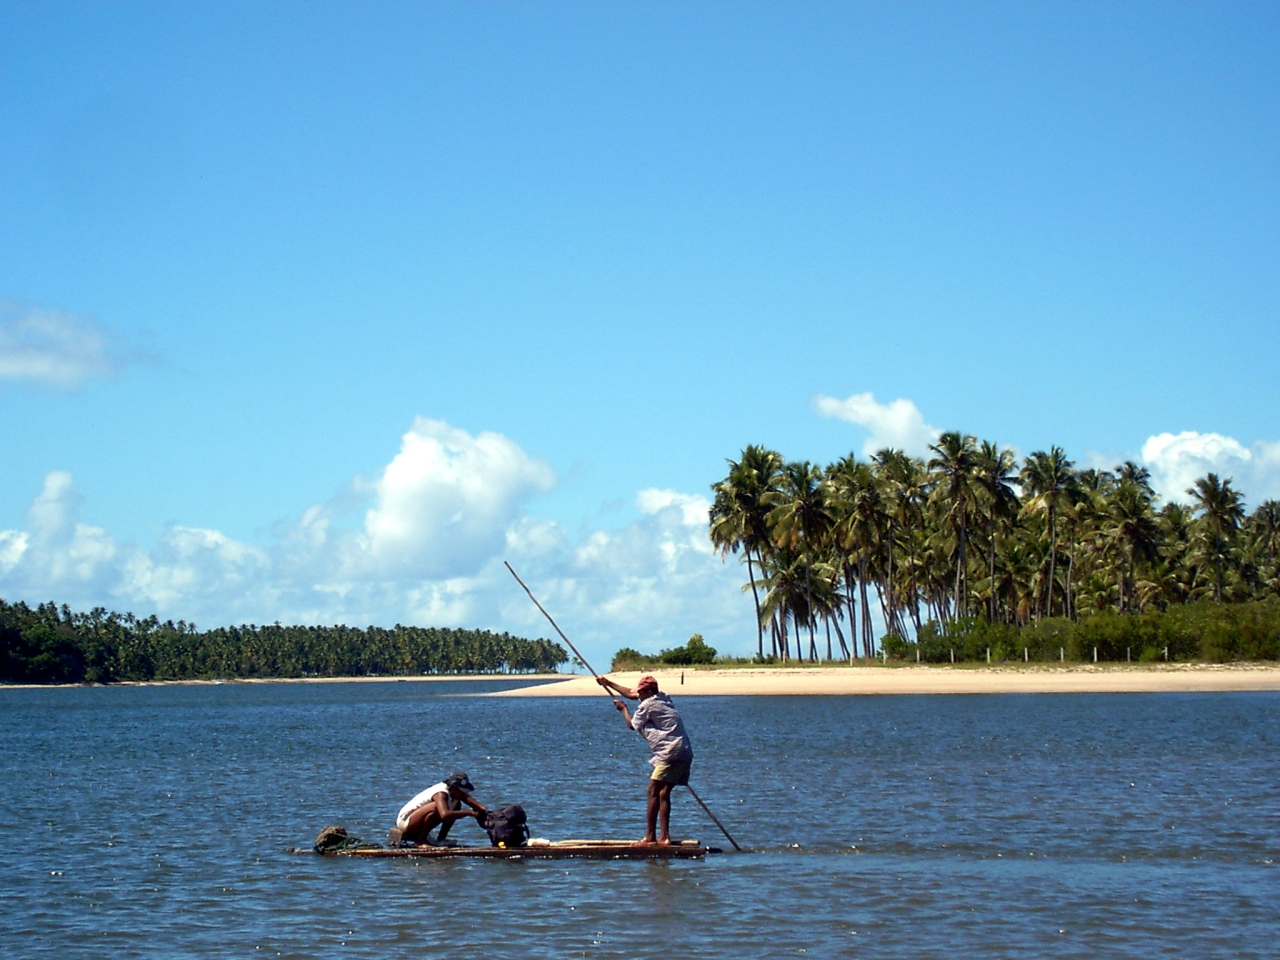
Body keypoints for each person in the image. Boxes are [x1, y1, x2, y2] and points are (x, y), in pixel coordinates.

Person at [597, 673, 693, 845]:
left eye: (642, 692)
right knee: (663, 793)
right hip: (684, 751)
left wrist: (624, 709)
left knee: (652, 791)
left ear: (649, 692)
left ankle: (651, 836)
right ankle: (664, 837)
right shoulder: (663, 697)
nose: (638, 695)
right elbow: (631, 693)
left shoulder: (646, 706)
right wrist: (608, 683)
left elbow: (632, 725)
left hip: (670, 752)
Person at [389, 771, 488, 847]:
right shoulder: (441, 793)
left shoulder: (456, 793)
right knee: (437, 808)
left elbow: (475, 804)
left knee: (457, 807)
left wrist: (485, 812)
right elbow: (444, 815)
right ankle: (419, 842)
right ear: (453, 787)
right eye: (461, 791)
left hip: (418, 821)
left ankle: (441, 839)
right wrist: (470, 813)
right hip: (406, 821)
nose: (463, 794)